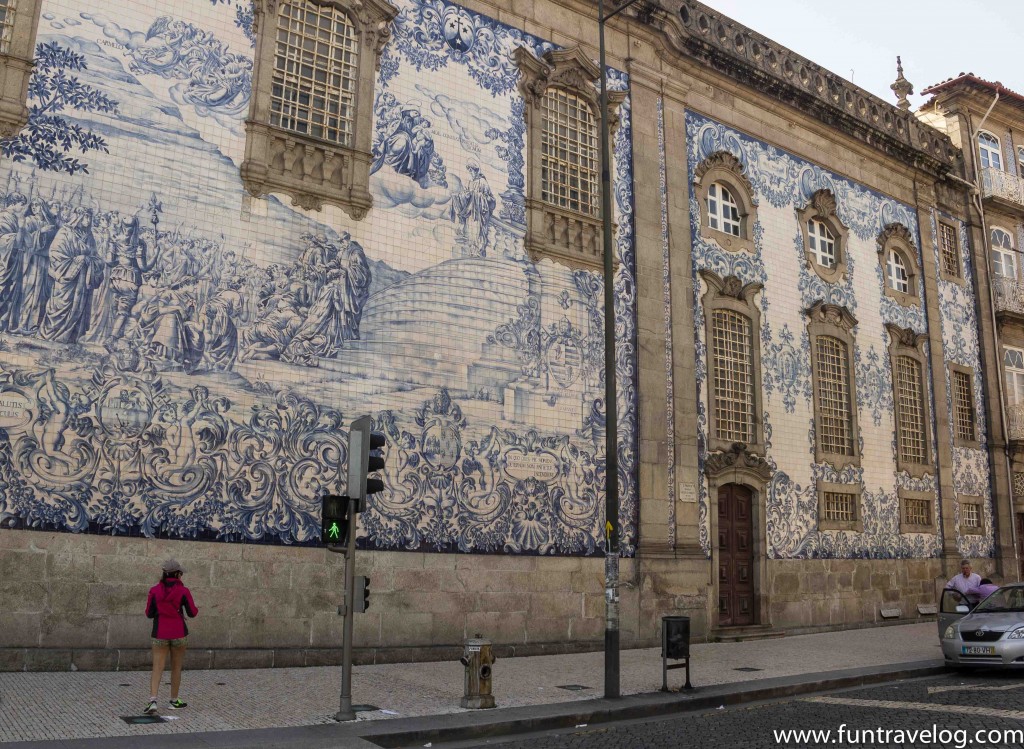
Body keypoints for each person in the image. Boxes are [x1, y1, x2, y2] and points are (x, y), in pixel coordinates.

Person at [144, 559, 199, 715]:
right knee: (176, 667)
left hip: (160, 633)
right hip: (179, 633)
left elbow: (149, 613)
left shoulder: (154, 591)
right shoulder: (184, 591)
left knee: (157, 667)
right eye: (180, 572)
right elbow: (192, 613)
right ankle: (174, 701)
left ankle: (153, 701)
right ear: (177, 574)